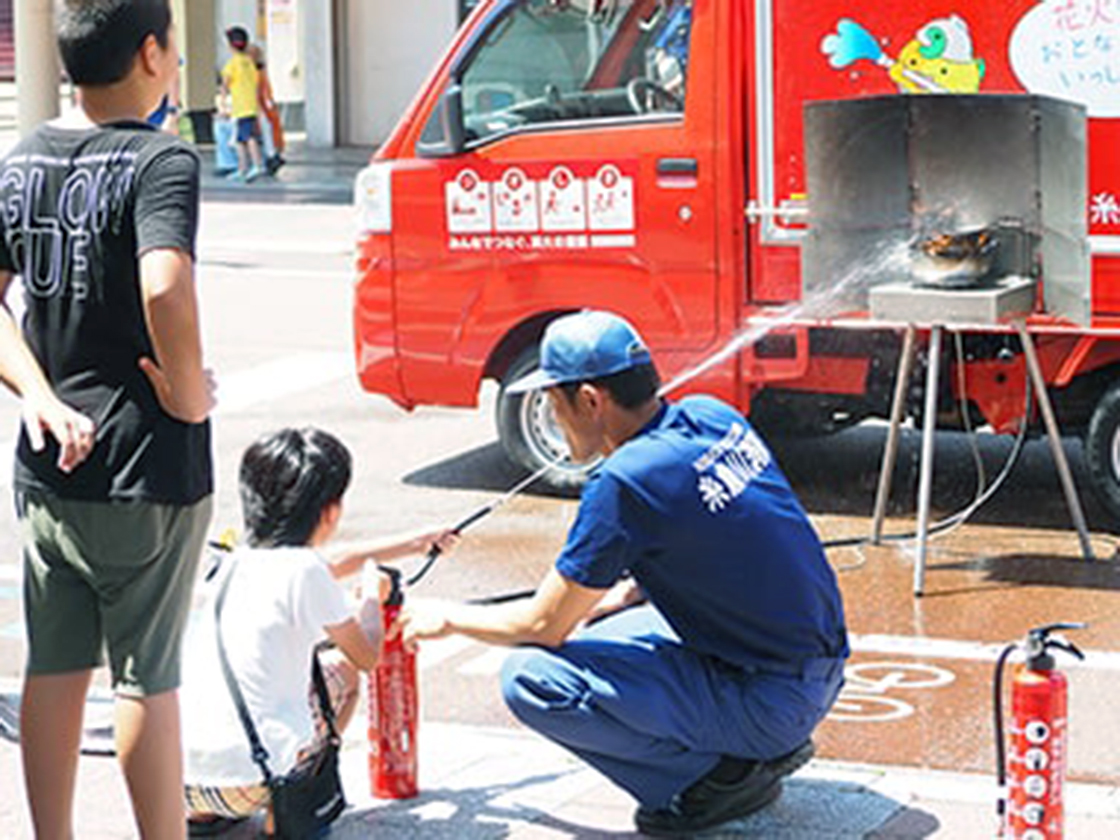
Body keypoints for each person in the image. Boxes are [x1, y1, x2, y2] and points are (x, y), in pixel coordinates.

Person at [400, 310, 849, 837]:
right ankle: (750, 749)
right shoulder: (711, 416)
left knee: (532, 678)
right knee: (600, 627)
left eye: (552, 398)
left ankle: (716, 779)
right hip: (816, 670)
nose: (548, 411)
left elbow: (543, 625)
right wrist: (630, 591)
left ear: (590, 400)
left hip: (773, 700)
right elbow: (732, 533)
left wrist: (446, 618)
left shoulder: (624, 482)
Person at [0, 2, 215, 838]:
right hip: (144, 461)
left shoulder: (21, 160)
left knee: (53, 667)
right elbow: (166, 284)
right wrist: (191, 393)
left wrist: (41, 397)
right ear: (153, 52)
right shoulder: (161, 160)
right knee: (145, 676)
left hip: (49, 461)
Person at [180, 427, 456, 835]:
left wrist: (416, 542)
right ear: (330, 511)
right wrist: (370, 600)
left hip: (180, 779)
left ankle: (205, 819)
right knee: (342, 674)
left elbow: (332, 560)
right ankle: (284, 815)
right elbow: (366, 656)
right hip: (252, 781)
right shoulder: (304, 571)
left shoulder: (229, 562)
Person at [220, 25, 264, 182]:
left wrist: (223, 105)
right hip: (250, 106)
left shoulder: (232, 64)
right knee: (243, 139)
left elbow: (225, 86)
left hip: (240, 108)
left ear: (230, 45)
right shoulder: (250, 63)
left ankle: (253, 166)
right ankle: (245, 168)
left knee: (245, 139)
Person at [247, 43, 286, 174]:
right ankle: (271, 156)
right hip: (262, 106)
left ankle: (269, 158)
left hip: (257, 107)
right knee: (266, 133)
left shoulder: (255, 72)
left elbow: (261, 91)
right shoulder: (260, 71)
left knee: (263, 133)